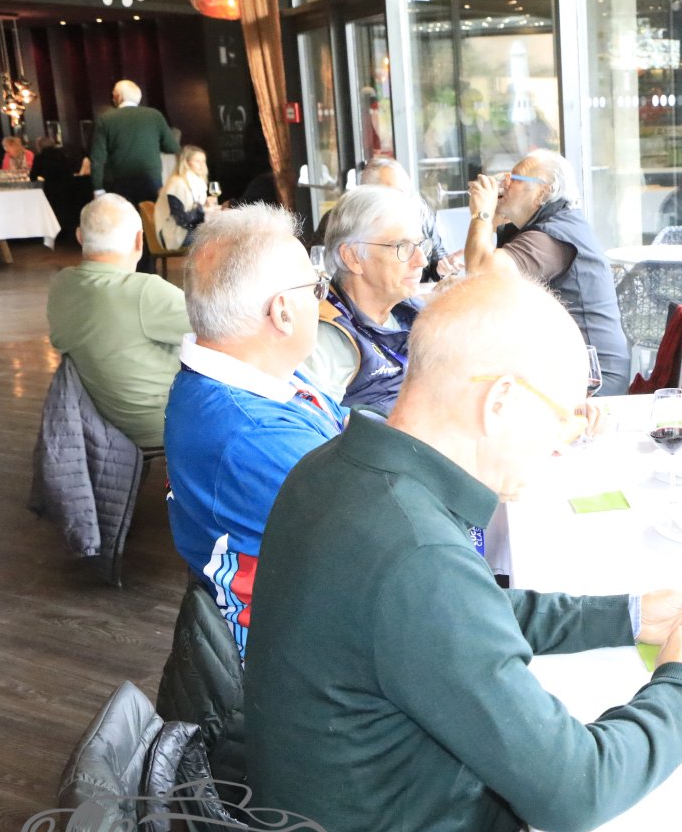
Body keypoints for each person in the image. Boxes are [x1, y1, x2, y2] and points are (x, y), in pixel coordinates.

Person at [244, 271, 682, 832]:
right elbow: (578, 788)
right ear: (500, 401)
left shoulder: (335, 470)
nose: (563, 440)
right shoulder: (415, 555)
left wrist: (628, 616)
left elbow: (462, 614)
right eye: (562, 414)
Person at [164, 204, 346, 657]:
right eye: (316, 288)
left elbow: (345, 424)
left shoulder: (253, 375)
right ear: (282, 313)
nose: (324, 303)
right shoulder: (253, 434)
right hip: (298, 654)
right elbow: (381, 535)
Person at [460, 148, 631, 395]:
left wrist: (482, 214)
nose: (504, 184)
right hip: (566, 366)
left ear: (542, 192)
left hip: (592, 378)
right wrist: (492, 221)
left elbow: (480, 274)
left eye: (514, 178)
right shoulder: (549, 224)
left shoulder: (554, 235)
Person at [44, 195, 190, 449]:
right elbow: (225, 328)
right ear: (139, 240)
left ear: (79, 236)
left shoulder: (61, 286)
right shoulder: (144, 292)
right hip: (165, 424)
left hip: (101, 425)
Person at [301, 185, 426, 412]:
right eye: (402, 246)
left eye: (419, 245)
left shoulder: (410, 312)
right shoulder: (324, 340)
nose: (422, 260)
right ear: (352, 257)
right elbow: (312, 425)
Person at [88, 79, 181, 209]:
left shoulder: (105, 119)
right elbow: (172, 147)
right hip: (151, 180)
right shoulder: (155, 116)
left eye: (113, 95)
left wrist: (98, 189)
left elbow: (97, 159)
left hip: (119, 182)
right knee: (151, 218)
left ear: (118, 97)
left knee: (125, 219)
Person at [30, 135, 90, 245]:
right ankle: (69, 234)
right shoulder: (62, 154)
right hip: (68, 186)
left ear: (39, 146)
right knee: (67, 209)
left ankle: (57, 233)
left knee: (54, 211)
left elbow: (33, 176)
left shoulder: (40, 157)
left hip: (52, 187)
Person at [155, 145, 217, 250]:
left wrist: (204, 206)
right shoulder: (177, 184)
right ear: (186, 162)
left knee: (222, 232)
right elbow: (182, 220)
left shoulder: (195, 183)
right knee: (219, 237)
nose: (202, 165)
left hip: (187, 230)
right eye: (197, 161)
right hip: (174, 235)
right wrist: (202, 210)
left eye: (203, 161)